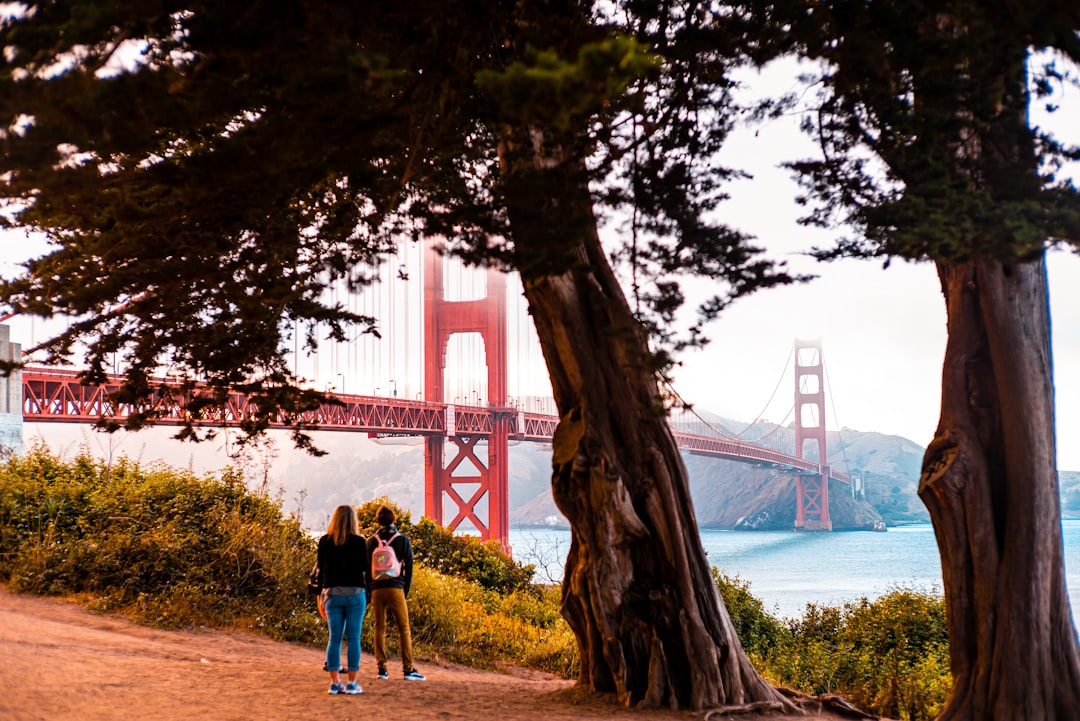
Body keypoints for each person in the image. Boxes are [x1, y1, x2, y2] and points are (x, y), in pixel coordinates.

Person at [367, 505, 425, 681]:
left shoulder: (370, 542)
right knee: (403, 628)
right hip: (396, 588)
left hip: (377, 589)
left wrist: (370, 589)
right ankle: (408, 670)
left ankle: (381, 670)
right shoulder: (403, 540)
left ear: (378, 521)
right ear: (394, 519)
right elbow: (409, 567)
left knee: (379, 628)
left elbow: (365, 568)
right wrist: (404, 590)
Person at [317, 504, 370, 695]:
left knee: (334, 638)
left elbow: (321, 571)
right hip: (356, 593)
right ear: (353, 520)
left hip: (331, 593)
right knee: (354, 638)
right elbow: (365, 568)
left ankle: (334, 683)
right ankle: (353, 684)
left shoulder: (324, 541)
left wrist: (319, 598)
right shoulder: (359, 542)